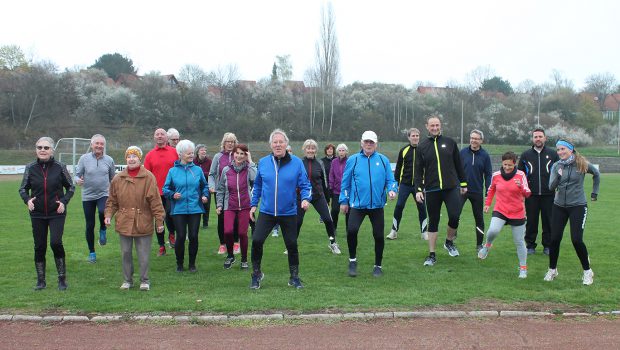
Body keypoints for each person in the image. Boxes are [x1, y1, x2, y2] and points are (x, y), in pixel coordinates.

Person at [249, 129, 312, 289]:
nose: (278, 144)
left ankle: (294, 277)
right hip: (267, 211)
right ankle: (256, 274)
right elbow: (257, 185)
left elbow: (305, 185)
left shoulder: (297, 163)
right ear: (271, 145)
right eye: (275, 142)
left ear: (286, 144)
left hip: (289, 212)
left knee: (291, 244)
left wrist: (305, 199)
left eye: (281, 142)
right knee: (256, 241)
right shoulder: (263, 162)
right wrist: (253, 204)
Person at [104, 146, 165, 291]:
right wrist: (108, 215)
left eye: (134, 156)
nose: (131, 159)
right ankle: (127, 280)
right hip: (124, 221)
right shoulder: (118, 178)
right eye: (129, 156)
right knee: (125, 253)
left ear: (140, 159)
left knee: (143, 253)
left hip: (143, 221)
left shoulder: (148, 177)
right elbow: (112, 201)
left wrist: (159, 220)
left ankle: (144, 280)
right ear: (126, 159)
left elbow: (155, 201)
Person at [19, 137, 75, 291]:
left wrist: (63, 201)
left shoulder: (60, 167)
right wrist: (27, 200)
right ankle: (41, 281)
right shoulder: (30, 168)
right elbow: (23, 188)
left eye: (46, 147)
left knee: (55, 243)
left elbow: (71, 187)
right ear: (36, 149)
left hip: (56, 212)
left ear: (52, 150)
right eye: (39, 147)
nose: (42, 150)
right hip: (37, 213)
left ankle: (62, 279)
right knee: (39, 246)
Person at [340, 131, 397, 278]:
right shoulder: (353, 160)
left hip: (377, 206)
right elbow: (345, 183)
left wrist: (392, 190)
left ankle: (378, 265)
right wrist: (344, 201)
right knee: (352, 231)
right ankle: (352, 261)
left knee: (378, 236)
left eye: (371, 142)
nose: (369, 144)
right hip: (357, 205)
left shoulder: (383, 160)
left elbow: (391, 180)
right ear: (361, 143)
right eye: (366, 142)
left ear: (376, 144)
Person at [414, 114, 467, 266]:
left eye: (437, 125)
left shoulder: (450, 143)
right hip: (432, 190)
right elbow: (418, 171)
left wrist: (463, 183)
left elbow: (459, 164)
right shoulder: (422, 146)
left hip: (451, 188)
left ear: (440, 126)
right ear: (427, 127)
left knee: (455, 215)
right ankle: (431, 255)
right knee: (434, 220)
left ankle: (449, 242)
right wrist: (418, 189)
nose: (435, 128)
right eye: (432, 126)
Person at [545, 139, 600, 285]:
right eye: (558, 150)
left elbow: (596, 174)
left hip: (578, 206)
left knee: (576, 240)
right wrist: (558, 175)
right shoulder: (556, 165)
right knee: (554, 239)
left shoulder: (581, 163)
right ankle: (552, 270)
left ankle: (588, 272)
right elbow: (551, 187)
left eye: (563, 149)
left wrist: (594, 193)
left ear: (571, 149)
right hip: (559, 206)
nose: (560, 152)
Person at [478, 152, 531, 279]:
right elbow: (491, 190)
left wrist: (522, 188)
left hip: (517, 212)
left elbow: (528, 193)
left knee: (519, 241)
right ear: (502, 163)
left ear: (515, 164)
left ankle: (523, 268)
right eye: (505, 164)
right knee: (493, 230)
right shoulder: (496, 175)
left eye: (510, 165)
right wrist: (487, 204)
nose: (507, 167)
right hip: (500, 210)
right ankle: (487, 245)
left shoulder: (521, 175)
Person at [163, 140, 209, 273]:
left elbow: (204, 186)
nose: (191, 155)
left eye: (192, 153)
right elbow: (165, 189)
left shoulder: (198, 170)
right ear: (180, 154)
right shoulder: (172, 171)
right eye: (188, 153)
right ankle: (179, 264)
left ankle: (192, 264)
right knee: (181, 236)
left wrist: (204, 195)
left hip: (195, 208)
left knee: (194, 236)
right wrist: (172, 194)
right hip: (179, 209)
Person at [74, 134, 115, 263]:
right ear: (92, 145)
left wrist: (115, 192)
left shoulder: (109, 160)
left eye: (101, 144)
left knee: (103, 212)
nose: (99, 146)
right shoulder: (84, 159)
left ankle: (103, 229)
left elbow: (112, 178)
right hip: (88, 196)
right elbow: (76, 174)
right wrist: (77, 180)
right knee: (89, 225)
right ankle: (92, 252)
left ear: (104, 145)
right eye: (96, 143)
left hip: (104, 193)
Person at [518, 128, 559, 255]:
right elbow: (521, 175)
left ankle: (547, 246)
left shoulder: (553, 154)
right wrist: (523, 192)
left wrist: (557, 188)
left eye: (540, 136)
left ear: (545, 138)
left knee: (548, 221)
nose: (538, 139)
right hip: (531, 195)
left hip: (549, 194)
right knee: (531, 221)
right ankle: (530, 246)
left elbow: (559, 174)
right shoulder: (526, 155)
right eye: (535, 137)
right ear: (532, 139)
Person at [216, 144, 256, 270]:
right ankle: (230, 255)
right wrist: (219, 204)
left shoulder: (249, 169)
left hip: (245, 206)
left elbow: (256, 177)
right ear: (233, 154)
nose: (239, 156)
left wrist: (250, 161)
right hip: (230, 205)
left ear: (246, 156)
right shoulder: (226, 170)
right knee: (227, 231)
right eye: (237, 153)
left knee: (242, 233)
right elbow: (221, 189)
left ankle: (244, 259)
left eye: (242, 154)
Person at [297, 139, 341, 254]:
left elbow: (324, 182)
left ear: (316, 150)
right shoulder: (299, 163)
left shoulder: (319, 163)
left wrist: (327, 199)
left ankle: (332, 243)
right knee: (297, 221)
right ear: (304, 149)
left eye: (312, 148)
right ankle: (291, 245)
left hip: (318, 196)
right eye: (308, 148)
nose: (310, 150)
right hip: (302, 197)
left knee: (328, 219)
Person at [387, 127, 428, 241]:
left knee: (422, 207)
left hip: (419, 186)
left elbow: (428, 169)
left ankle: (424, 232)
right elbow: (398, 169)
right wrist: (395, 186)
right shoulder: (404, 150)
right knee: (399, 206)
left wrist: (424, 185)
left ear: (419, 137)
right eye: (413, 136)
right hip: (405, 184)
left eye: (417, 136)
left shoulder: (424, 150)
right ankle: (394, 231)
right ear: (409, 137)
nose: (415, 138)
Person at [143, 128, 178, 256]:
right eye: (157, 134)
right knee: (159, 218)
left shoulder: (175, 152)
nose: (159, 136)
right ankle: (161, 245)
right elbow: (146, 175)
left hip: (171, 192)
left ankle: (172, 233)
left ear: (166, 138)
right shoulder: (150, 155)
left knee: (169, 214)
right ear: (154, 138)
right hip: (156, 193)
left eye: (162, 134)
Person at [459, 129, 492, 252]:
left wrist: (488, 191)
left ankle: (479, 244)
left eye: (476, 138)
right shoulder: (462, 153)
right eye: (472, 138)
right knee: (455, 215)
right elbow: (455, 170)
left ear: (481, 141)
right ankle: (451, 239)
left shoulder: (485, 155)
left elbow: (488, 175)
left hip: (477, 191)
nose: (473, 140)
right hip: (461, 190)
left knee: (479, 219)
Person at [209, 132, 240, 255]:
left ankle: (236, 243)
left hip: (236, 192)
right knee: (221, 218)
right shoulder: (218, 156)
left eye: (232, 141)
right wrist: (212, 186)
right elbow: (211, 174)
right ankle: (223, 244)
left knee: (236, 218)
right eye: (228, 141)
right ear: (224, 143)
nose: (230, 144)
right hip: (221, 192)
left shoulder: (239, 155)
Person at [328, 143, 349, 234]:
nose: (341, 152)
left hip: (347, 192)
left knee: (348, 211)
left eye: (343, 150)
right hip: (336, 191)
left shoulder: (349, 161)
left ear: (346, 152)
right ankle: (333, 229)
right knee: (335, 210)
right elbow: (331, 175)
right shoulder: (334, 162)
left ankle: (349, 230)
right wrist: (331, 187)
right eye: (340, 150)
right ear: (337, 152)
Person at [194, 144, 213, 228]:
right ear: (197, 152)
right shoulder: (193, 161)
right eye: (202, 150)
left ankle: (205, 223)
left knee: (206, 205)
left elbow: (211, 173)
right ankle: (195, 222)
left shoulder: (209, 161)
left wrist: (201, 173)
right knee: (196, 204)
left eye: (205, 150)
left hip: (207, 186)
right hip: (195, 187)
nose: (204, 152)